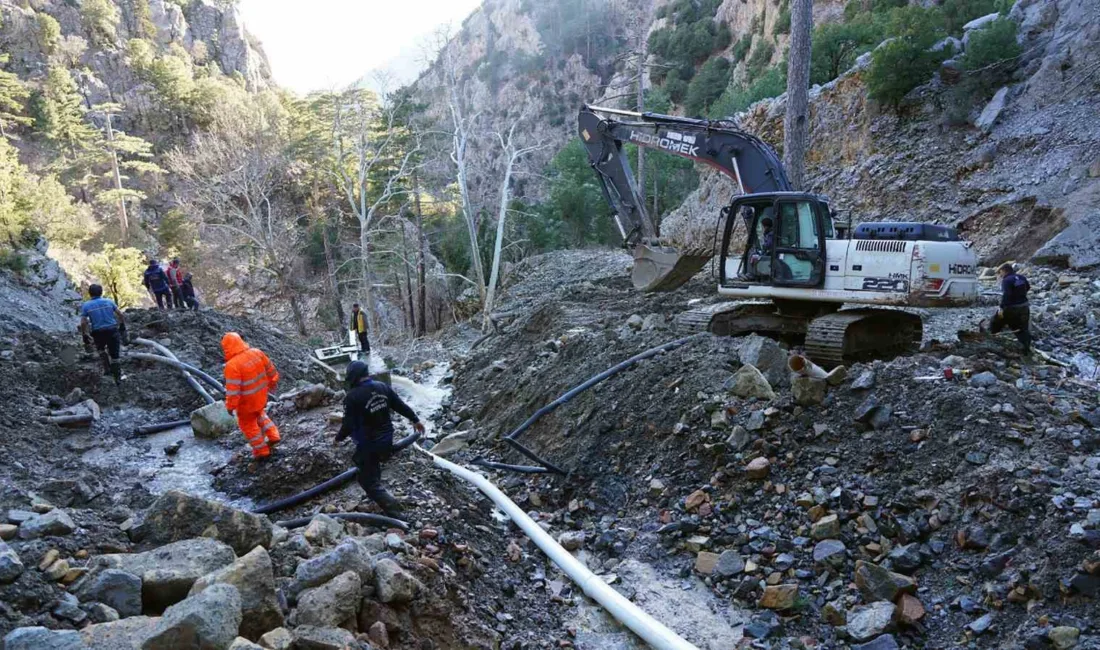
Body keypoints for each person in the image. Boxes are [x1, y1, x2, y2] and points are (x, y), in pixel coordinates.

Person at [335, 360, 424, 517]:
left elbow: (348, 425)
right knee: (366, 464)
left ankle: (395, 512)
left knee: (365, 479)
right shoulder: (382, 387)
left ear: (353, 377)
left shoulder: (352, 397)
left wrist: (338, 439)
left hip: (369, 444)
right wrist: (415, 419)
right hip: (386, 439)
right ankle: (376, 489)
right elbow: (399, 405)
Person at [222, 332, 282, 460]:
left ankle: (262, 451)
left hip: (246, 404)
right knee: (260, 414)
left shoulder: (232, 365)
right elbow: (271, 370)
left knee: (248, 425)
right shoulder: (256, 352)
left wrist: (230, 406)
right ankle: (274, 435)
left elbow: (233, 391)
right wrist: (272, 383)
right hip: (261, 396)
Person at [79, 284, 126, 385]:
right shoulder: (109, 301)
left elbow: (83, 322)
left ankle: (107, 369)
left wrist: (84, 334)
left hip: (98, 332)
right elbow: (120, 314)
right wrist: (122, 325)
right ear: (101, 292)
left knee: (101, 350)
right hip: (112, 330)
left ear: (90, 293)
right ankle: (118, 378)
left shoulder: (86, 305)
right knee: (115, 355)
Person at [989, 262, 1032, 354]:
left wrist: (1001, 307)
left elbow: (1007, 295)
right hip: (1024, 306)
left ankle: (991, 338)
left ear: (1004, 270)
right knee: (1023, 328)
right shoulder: (1021, 277)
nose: (1000, 275)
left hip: (1012, 308)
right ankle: (1026, 349)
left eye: (1000, 272)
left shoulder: (1006, 280)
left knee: (996, 321)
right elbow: (1028, 287)